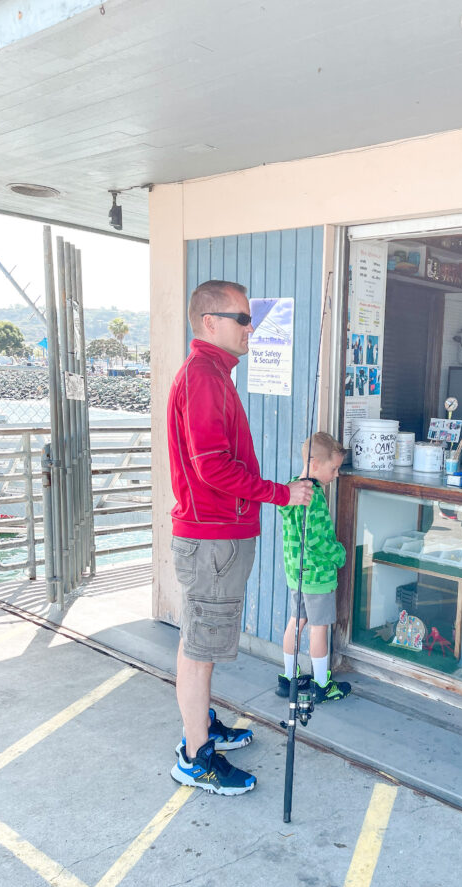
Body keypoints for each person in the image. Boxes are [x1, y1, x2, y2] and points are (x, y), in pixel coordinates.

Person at [167, 279, 312, 795]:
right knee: (200, 645)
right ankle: (194, 755)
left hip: (216, 538)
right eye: (243, 319)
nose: (252, 328)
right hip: (213, 541)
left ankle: (201, 729)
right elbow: (212, 468)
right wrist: (281, 493)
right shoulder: (204, 377)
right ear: (211, 322)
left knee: (201, 639)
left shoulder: (212, 374)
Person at [276, 431, 351, 703]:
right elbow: (316, 539)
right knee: (319, 627)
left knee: (296, 621)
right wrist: (339, 554)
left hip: (296, 572)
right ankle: (322, 684)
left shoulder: (291, 490)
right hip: (318, 575)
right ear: (315, 464)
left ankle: (288, 678)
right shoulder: (314, 497)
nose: (337, 474)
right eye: (334, 468)